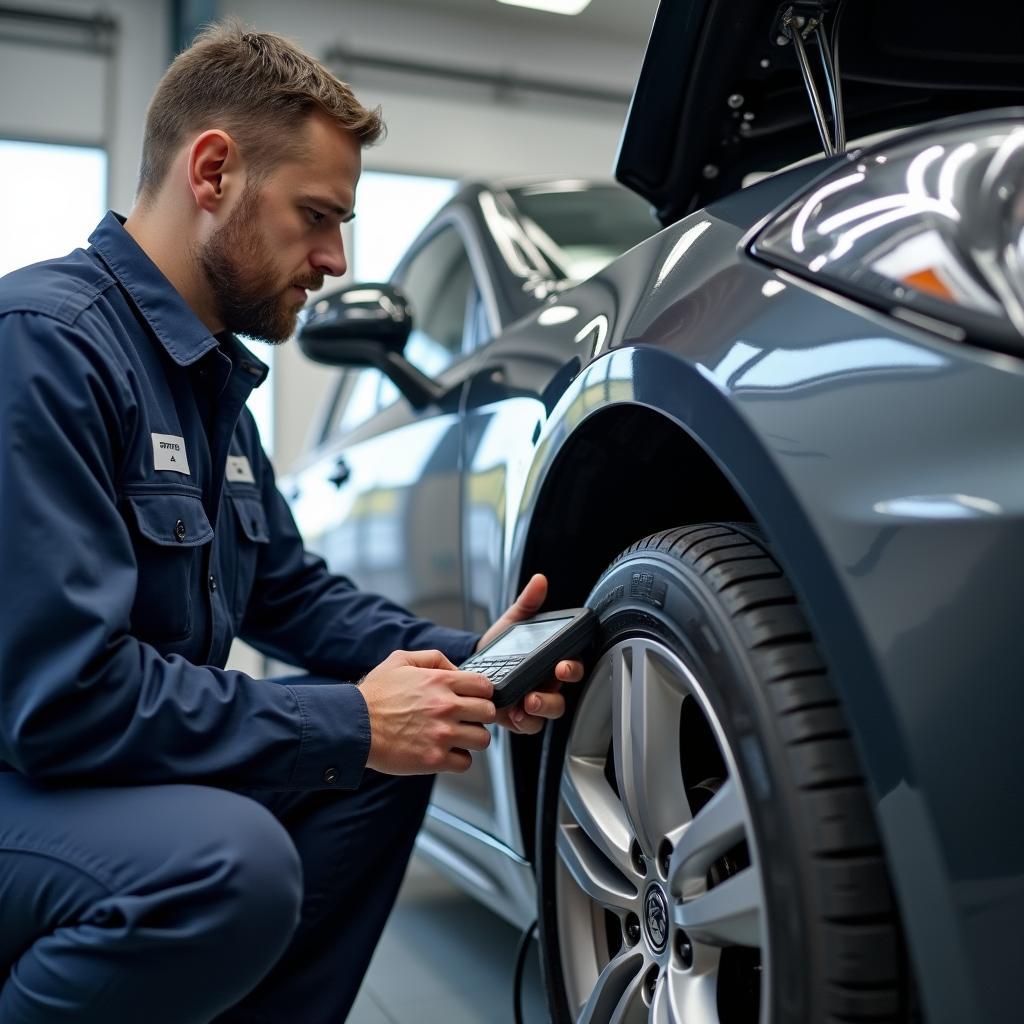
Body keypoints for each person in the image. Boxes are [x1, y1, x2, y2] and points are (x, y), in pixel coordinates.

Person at [0, 20, 582, 1024]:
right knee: (231, 866)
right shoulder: (46, 347)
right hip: (26, 774)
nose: (334, 257)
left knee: (385, 765)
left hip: (88, 770)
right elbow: (63, 701)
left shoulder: (209, 378)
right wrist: (355, 718)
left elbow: (287, 591)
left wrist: (461, 666)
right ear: (214, 171)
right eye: (317, 215)